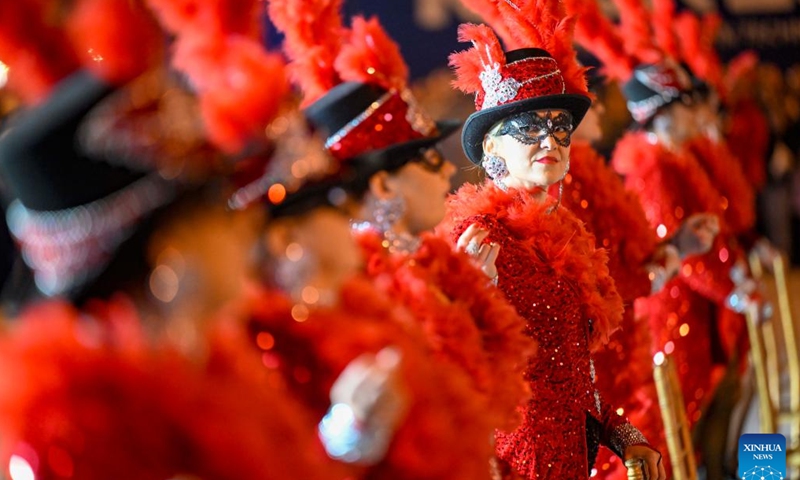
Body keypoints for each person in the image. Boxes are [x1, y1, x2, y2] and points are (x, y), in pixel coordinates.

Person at [267, 0, 533, 439]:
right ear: (383, 189)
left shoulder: (429, 267)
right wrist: (348, 431)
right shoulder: (349, 294)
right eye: (430, 160)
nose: (448, 170)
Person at [440, 0, 665, 477]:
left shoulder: (565, 232)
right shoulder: (478, 236)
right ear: (492, 144)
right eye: (530, 127)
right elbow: (455, 375)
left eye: (560, 128)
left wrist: (622, 437)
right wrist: (467, 301)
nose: (551, 141)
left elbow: (569, 374)